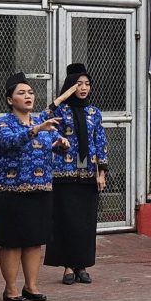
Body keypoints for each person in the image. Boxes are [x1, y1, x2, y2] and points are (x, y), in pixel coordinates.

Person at [0, 73, 69, 301]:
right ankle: (10, 288)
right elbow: (9, 143)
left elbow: (57, 147)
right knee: (13, 241)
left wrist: (61, 144)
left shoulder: (41, 122)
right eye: (21, 93)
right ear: (9, 100)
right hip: (9, 191)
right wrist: (36, 130)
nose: (28, 96)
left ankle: (31, 286)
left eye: (31, 93)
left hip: (40, 189)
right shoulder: (3, 123)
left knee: (34, 240)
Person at [44, 63, 109, 286]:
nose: (83, 88)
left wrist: (101, 173)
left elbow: (100, 143)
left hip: (88, 174)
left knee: (85, 222)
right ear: (70, 87)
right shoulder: (61, 111)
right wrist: (62, 97)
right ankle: (68, 266)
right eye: (78, 84)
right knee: (66, 221)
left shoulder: (94, 112)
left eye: (87, 84)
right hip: (65, 174)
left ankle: (82, 266)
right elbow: (42, 118)